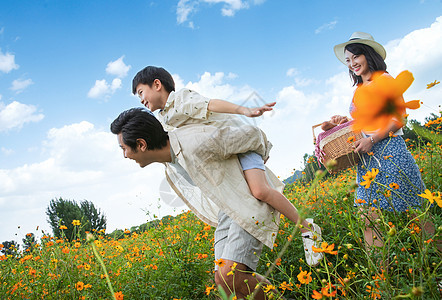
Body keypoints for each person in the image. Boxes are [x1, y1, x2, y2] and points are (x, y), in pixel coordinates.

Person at [131, 66, 323, 266]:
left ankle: (307, 229)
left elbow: (211, 104)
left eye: (141, 93)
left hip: (239, 142)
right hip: (223, 154)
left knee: (260, 191)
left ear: (157, 84)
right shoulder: (162, 119)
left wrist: (244, 110)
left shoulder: (180, 100)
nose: (141, 100)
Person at [111, 108, 286, 299]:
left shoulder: (194, 142)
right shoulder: (169, 160)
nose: (125, 155)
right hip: (227, 210)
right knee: (222, 280)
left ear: (141, 144)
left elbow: (253, 134)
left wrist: (258, 166)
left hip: (246, 201)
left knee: (230, 275)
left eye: (124, 148)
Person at [330, 32, 430, 250]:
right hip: (367, 160)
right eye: (348, 60)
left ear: (367, 54)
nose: (352, 63)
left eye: (355, 57)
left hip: (390, 152)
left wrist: (372, 139)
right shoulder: (358, 89)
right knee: (367, 218)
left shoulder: (384, 79)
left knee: (417, 214)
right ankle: (380, 280)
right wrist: (344, 121)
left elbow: (399, 117)